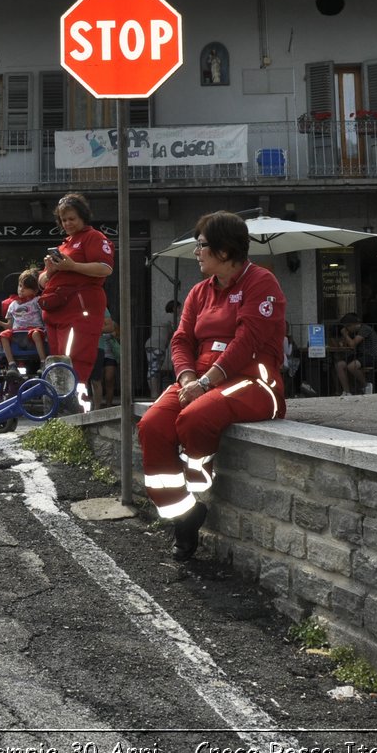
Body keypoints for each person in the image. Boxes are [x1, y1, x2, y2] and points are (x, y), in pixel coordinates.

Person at [138, 210, 286, 562]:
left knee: (195, 418)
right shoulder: (198, 292)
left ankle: (198, 479)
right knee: (152, 426)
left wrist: (205, 382)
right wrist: (188, 377)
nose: (196, 252)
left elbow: (247, 341)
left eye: (201, 245)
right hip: (199, 380)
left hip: (254, 381)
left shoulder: (261, 283)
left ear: (224, 251)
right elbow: (180, 340)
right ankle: (184, 515)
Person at [37, 192, 112, 407]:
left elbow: (105, 268)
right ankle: (62, 402)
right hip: (57, 311)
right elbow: (42, 282)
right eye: (64, 219)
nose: (67, 223)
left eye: (72, 218)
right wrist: (50, 271)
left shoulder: (94, 237)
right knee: (60, 361)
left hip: (79, 312)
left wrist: (73, 266)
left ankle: (74, 404)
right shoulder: (64, 245)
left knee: (75, 359)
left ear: (82, 217)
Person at [0, 269, 47, 374]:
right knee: (3, 336)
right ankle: (11, 365)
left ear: (34, 291)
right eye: (20, 286)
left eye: (26, 288)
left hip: (34, 330)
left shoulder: (37, 301)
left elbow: (44, 318)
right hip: (17, 332)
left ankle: (43, 362)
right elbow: (9, 326)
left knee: (36, 334)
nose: (21, 290)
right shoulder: (13, 304)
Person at [333, 312, 377, 397]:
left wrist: (345, 335)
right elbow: (348, 344)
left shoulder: (365, 329)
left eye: (347, 326)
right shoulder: (354, 332)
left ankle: (366, 385)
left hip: (371, 355)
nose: (347, 329)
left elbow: (352, 344)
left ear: (353, 324)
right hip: (360, 355)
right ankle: (347, 392)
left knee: (352, 366)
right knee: (339, 365)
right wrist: (344, 339)